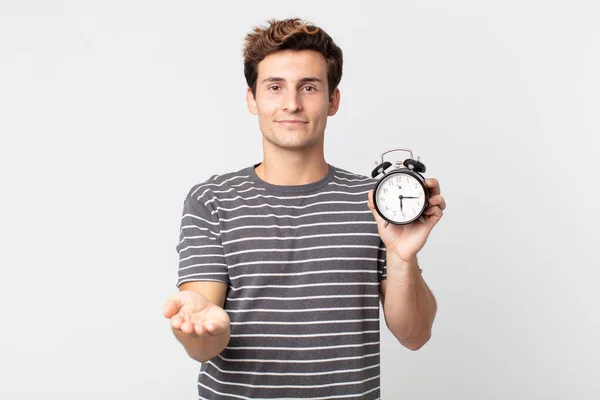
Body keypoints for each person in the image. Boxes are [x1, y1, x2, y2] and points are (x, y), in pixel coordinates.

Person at [163, 17, 446, 399]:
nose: (292, 103)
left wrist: (401, 256)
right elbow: (204, 346)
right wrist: (199, 327)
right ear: (252, 99)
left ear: (333, 100)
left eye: (308, 87)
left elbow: (415, 335)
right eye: (275, 87)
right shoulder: (213, 199)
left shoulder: (375, 201)